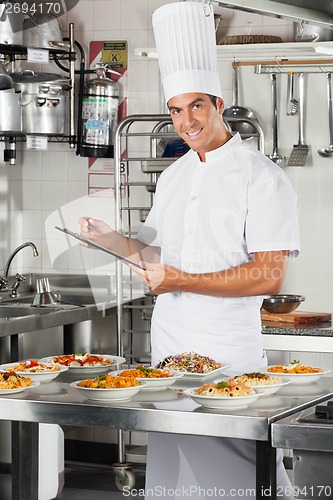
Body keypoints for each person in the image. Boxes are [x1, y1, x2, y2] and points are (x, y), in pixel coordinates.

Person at [79, 3, 299, 498]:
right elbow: (155, 256)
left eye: (196, 105)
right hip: (169, 353)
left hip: (227, 354)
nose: (185, 121)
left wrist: (181, 281)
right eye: (176, 109)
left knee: (239, 477)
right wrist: (109, 239)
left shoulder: (263, 178)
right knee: (172, 478)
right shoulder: (175, 176)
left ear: (218, 103)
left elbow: (268, 277)